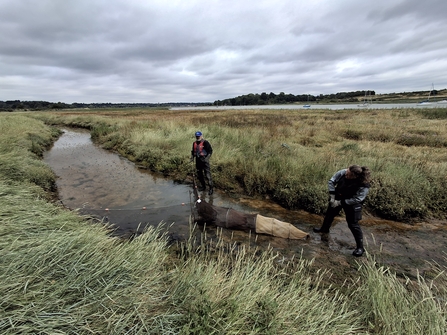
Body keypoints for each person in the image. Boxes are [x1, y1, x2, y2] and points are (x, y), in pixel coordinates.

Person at [313, 165, 371, 257]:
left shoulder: (363, 184)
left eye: (348, 175)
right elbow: (331, 181)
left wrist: (341, 203)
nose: (346, 175)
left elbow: (358, 199)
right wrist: (332, 196)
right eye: (346, 172)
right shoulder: (343, 172)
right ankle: (324, 229)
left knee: (353, 224)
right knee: (329, 214)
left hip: (352, 202)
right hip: (338, 196)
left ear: (354, 176)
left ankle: (360, 248)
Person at [190, 131, 214, 195]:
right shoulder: (194, 143)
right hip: (198, 161)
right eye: (197, 136)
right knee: (200, 175)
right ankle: (203, 187)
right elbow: (193, 151)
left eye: (199, 136)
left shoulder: (205, 142)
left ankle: (211, 189)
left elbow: (210, 151)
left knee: (208, 175)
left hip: (204, 161)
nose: (198, 137)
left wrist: (207, 158)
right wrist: (192, 158)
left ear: (201, 136)